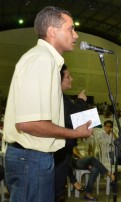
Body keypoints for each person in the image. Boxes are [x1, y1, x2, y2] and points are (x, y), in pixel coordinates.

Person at [3, 6, 92, 202]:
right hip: (31, 159)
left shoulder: (47, 61)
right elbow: (29, 123)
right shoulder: (41, 60)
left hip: (34, 158)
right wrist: (75, 133)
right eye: (71, 29)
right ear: (52, 31)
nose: (76, 35)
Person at [54, 64, 89, 201]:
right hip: (60, 149)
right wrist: (81, 102)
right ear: (59, 79)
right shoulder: (58, 98)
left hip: (64, 148)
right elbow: (72, 119)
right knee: (57, 188)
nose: (71, 79)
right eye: (68, 76)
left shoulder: (63, 97)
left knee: (59, 185)